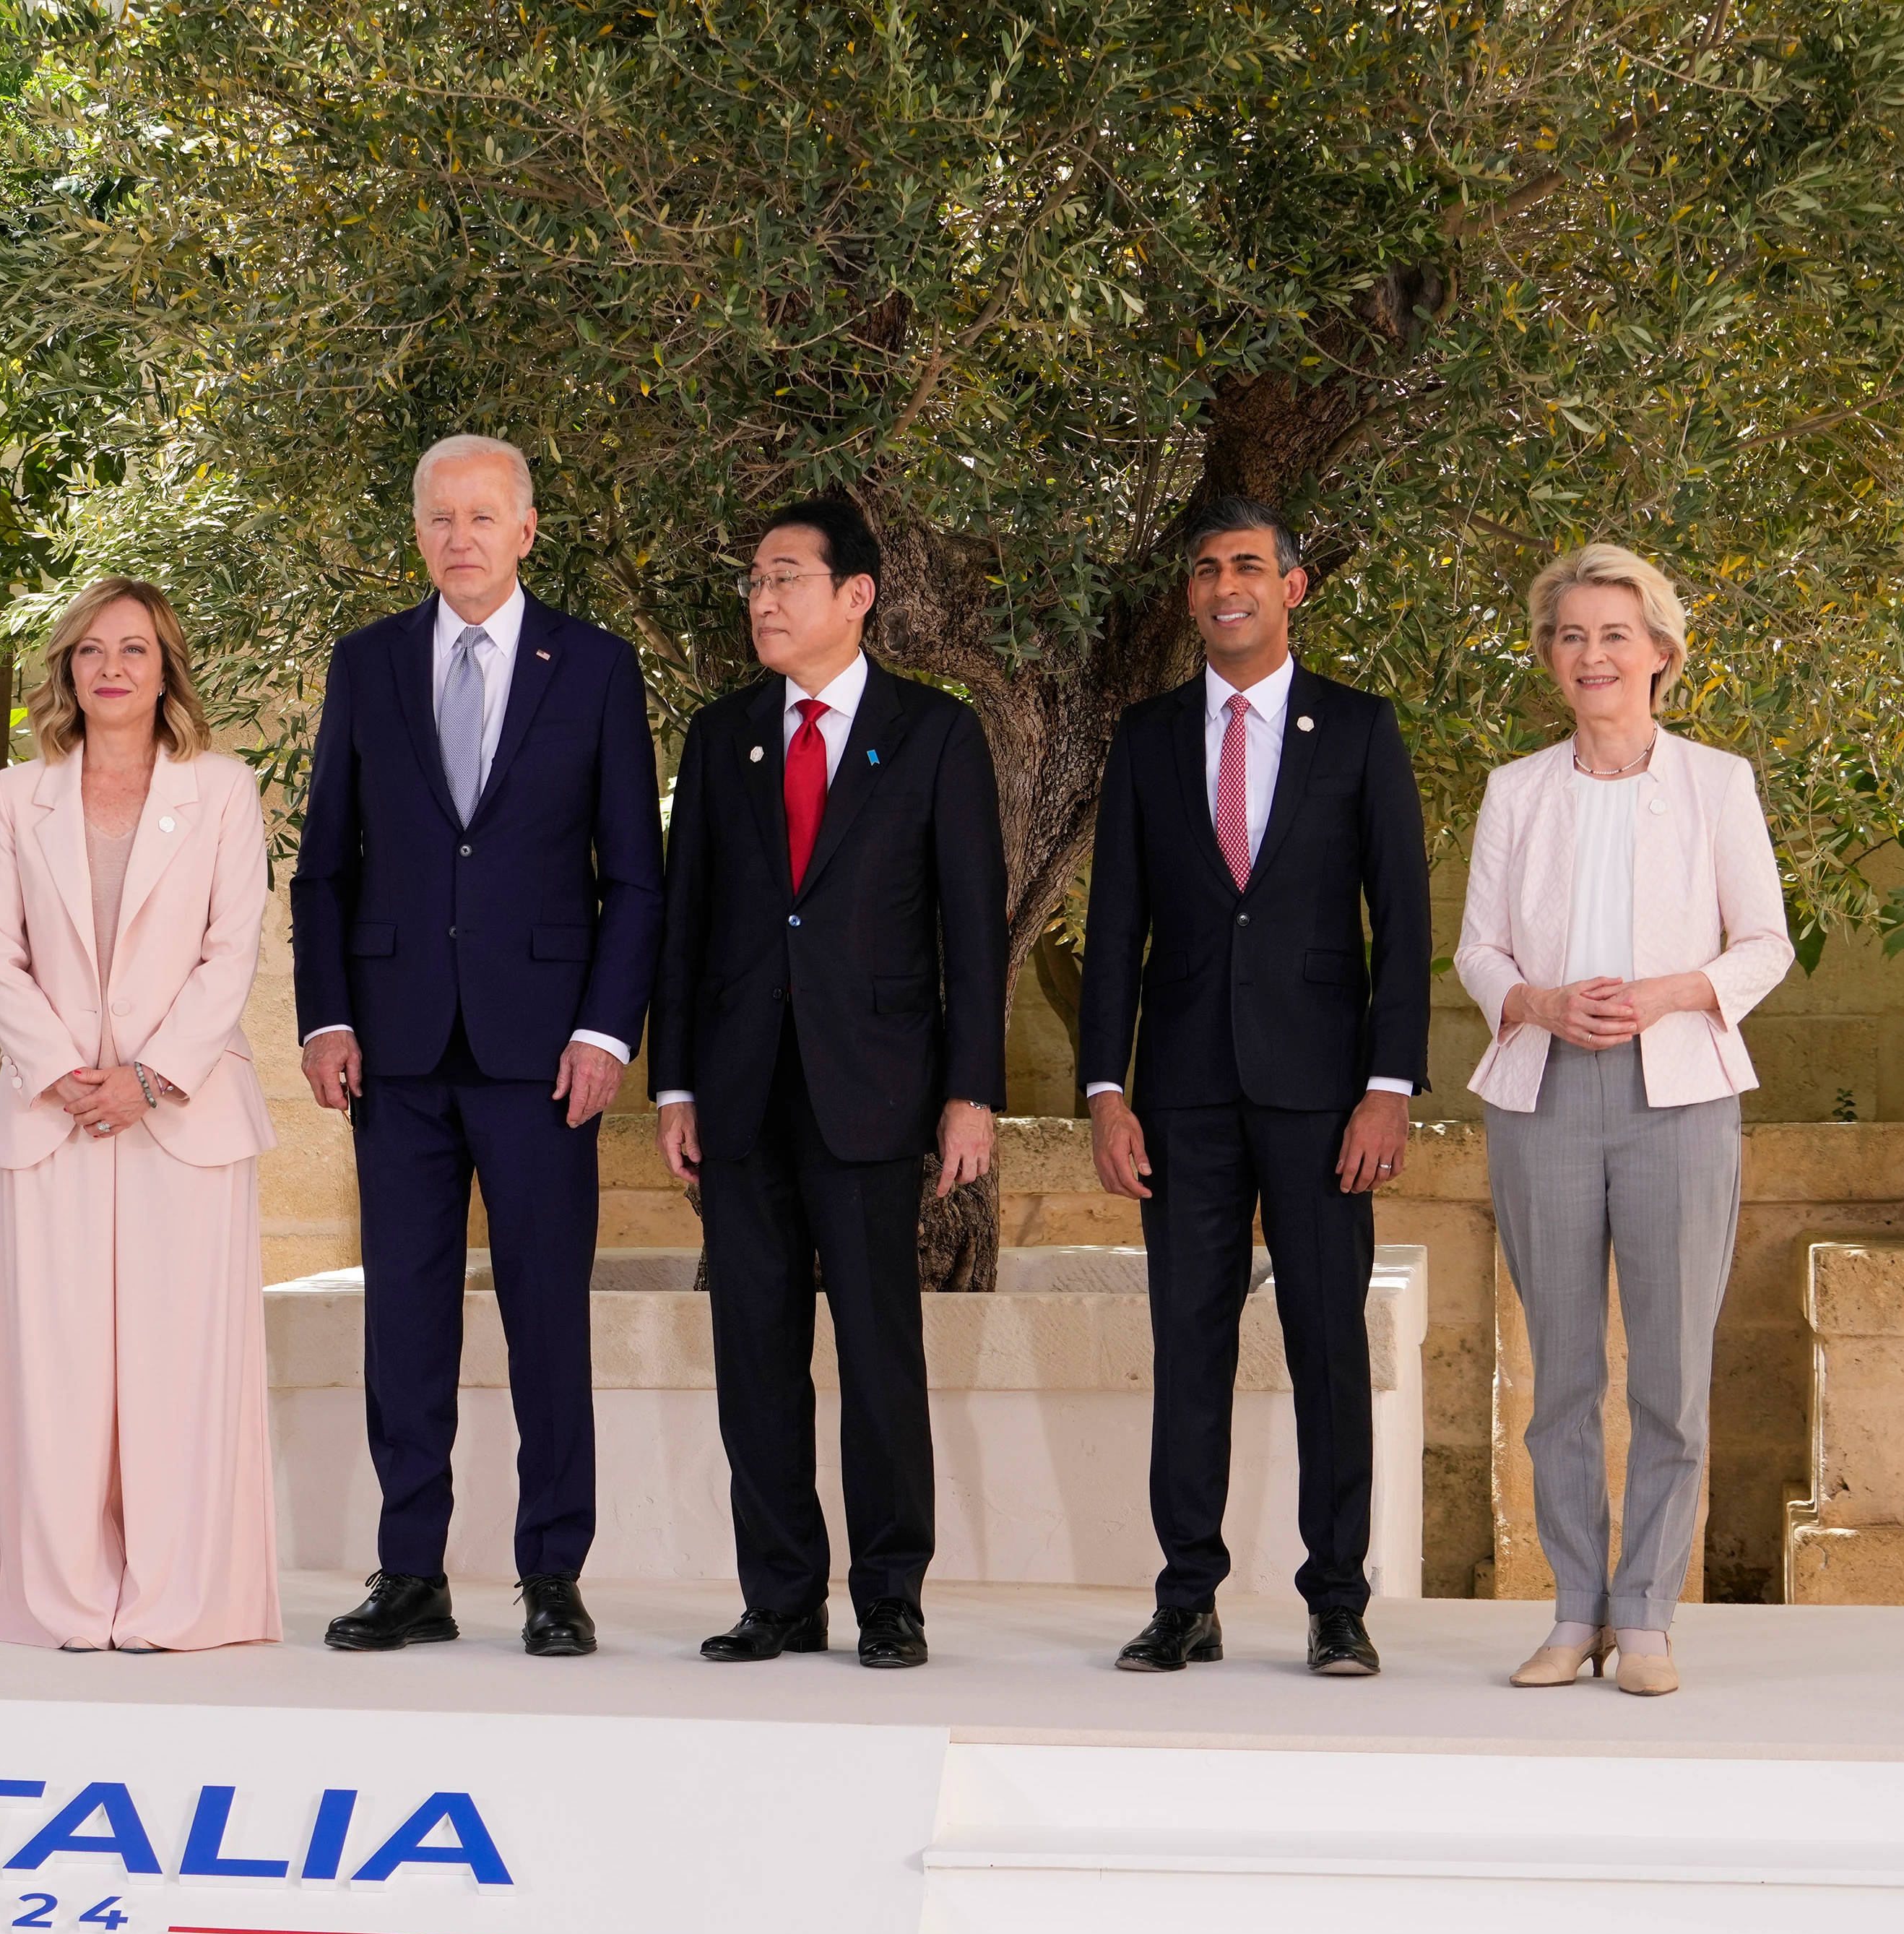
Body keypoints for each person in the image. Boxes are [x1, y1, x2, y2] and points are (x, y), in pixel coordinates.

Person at [292, 433, 663, 1658]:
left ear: (527, 529)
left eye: (483, 517)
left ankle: (552, 1576)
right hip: (394, 1055)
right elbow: (326, 866)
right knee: (405, 1321)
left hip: (546, 1056)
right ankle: (411, 1573)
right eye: (440, 518)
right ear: (418, 533)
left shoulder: (599, 669)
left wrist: (607, 1029)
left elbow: (635, 881)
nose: (461, 536)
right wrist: (328, 1014)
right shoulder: (366, 664)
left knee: (547, 1317)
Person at [652, 496, 1006, 1671]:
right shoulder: (722, 737)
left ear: (856, 595)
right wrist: (676, 1088)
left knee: (878, 1353)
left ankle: (892, 1596)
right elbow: (687, 922)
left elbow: (973, 930)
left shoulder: (935, 736)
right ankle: (780, 1595)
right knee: (754, 1353)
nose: (761, 599)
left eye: (786, 578)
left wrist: (971, 1093)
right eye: (753, 579)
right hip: (743, 1093)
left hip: (876, 1090)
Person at [1079, 495, 1430, 1677]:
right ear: (1189, 596)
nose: (1226, 584)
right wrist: (1103, 1091)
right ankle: (1187, 1597)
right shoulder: (1147, 736)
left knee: (1328, 1343)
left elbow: (1403, 921)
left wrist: (1389, 1089)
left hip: (1328, 1099)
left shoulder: (1363, 729)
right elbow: (1116, 921)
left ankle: (1338, 1600)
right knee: (1190, 1345)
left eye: (1249, 565)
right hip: (1178, 1097)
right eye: (1206, 570)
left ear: (1295, 584)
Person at [1455, 545, 1783, 1699]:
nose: (1592, 656)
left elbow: (1765, 944)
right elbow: (1478, 949)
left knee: (1670, 1371)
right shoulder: (1515, 790)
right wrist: (1535, 1002)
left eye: (1614, 635)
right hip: (1542, 1093)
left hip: (1681, 1096)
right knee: (1560, 1378)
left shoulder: (1718, 783)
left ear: (1661, 655)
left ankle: (1644, 1617)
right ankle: (1574, 1610)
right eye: (1570, 637)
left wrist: (1668, 993)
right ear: (1550, 659)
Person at [0, 578, 282, 1652]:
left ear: (165, 669)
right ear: (67, 666)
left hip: (181, 1118)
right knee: (53, 1369)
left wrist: (145, 1080)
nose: (111, 667)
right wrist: (64, 1071)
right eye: (92, 648)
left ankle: (178, 1601)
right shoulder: (19, 796)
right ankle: (57, 1599)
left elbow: (230, 950)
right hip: (52, 1118)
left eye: (134, 649)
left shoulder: (226, 791)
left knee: (177, 1367)